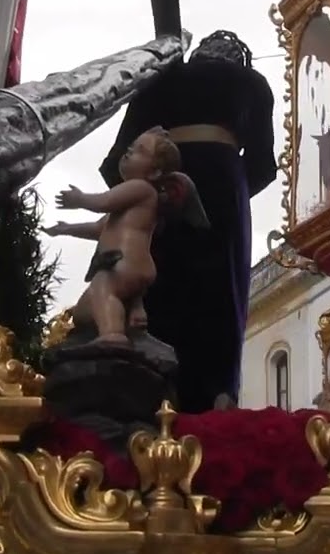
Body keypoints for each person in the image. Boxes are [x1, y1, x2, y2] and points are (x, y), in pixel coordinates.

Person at [98, 30, 276, 413]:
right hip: (224, 187)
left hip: (157, 186)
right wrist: (233, 187)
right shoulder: (252, 84)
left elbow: (118, 159)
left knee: (153, 284)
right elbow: (263, 164)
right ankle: (214, 395)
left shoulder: (161, 77)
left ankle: (146, 389)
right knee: (220, 295)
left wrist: (135, 197)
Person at [48, 127, 208, 346]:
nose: (129, 151)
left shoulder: (141, 188)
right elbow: (98, 228)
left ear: (154, 172)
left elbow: (103, 201)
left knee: (102, 287)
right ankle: (135, 311)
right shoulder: (127, 206)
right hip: (128, 267)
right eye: (131, 147)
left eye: (139, 150)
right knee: (84, 312)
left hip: (124, 264)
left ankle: (112, 335)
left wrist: (80, 199)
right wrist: (66, 228)